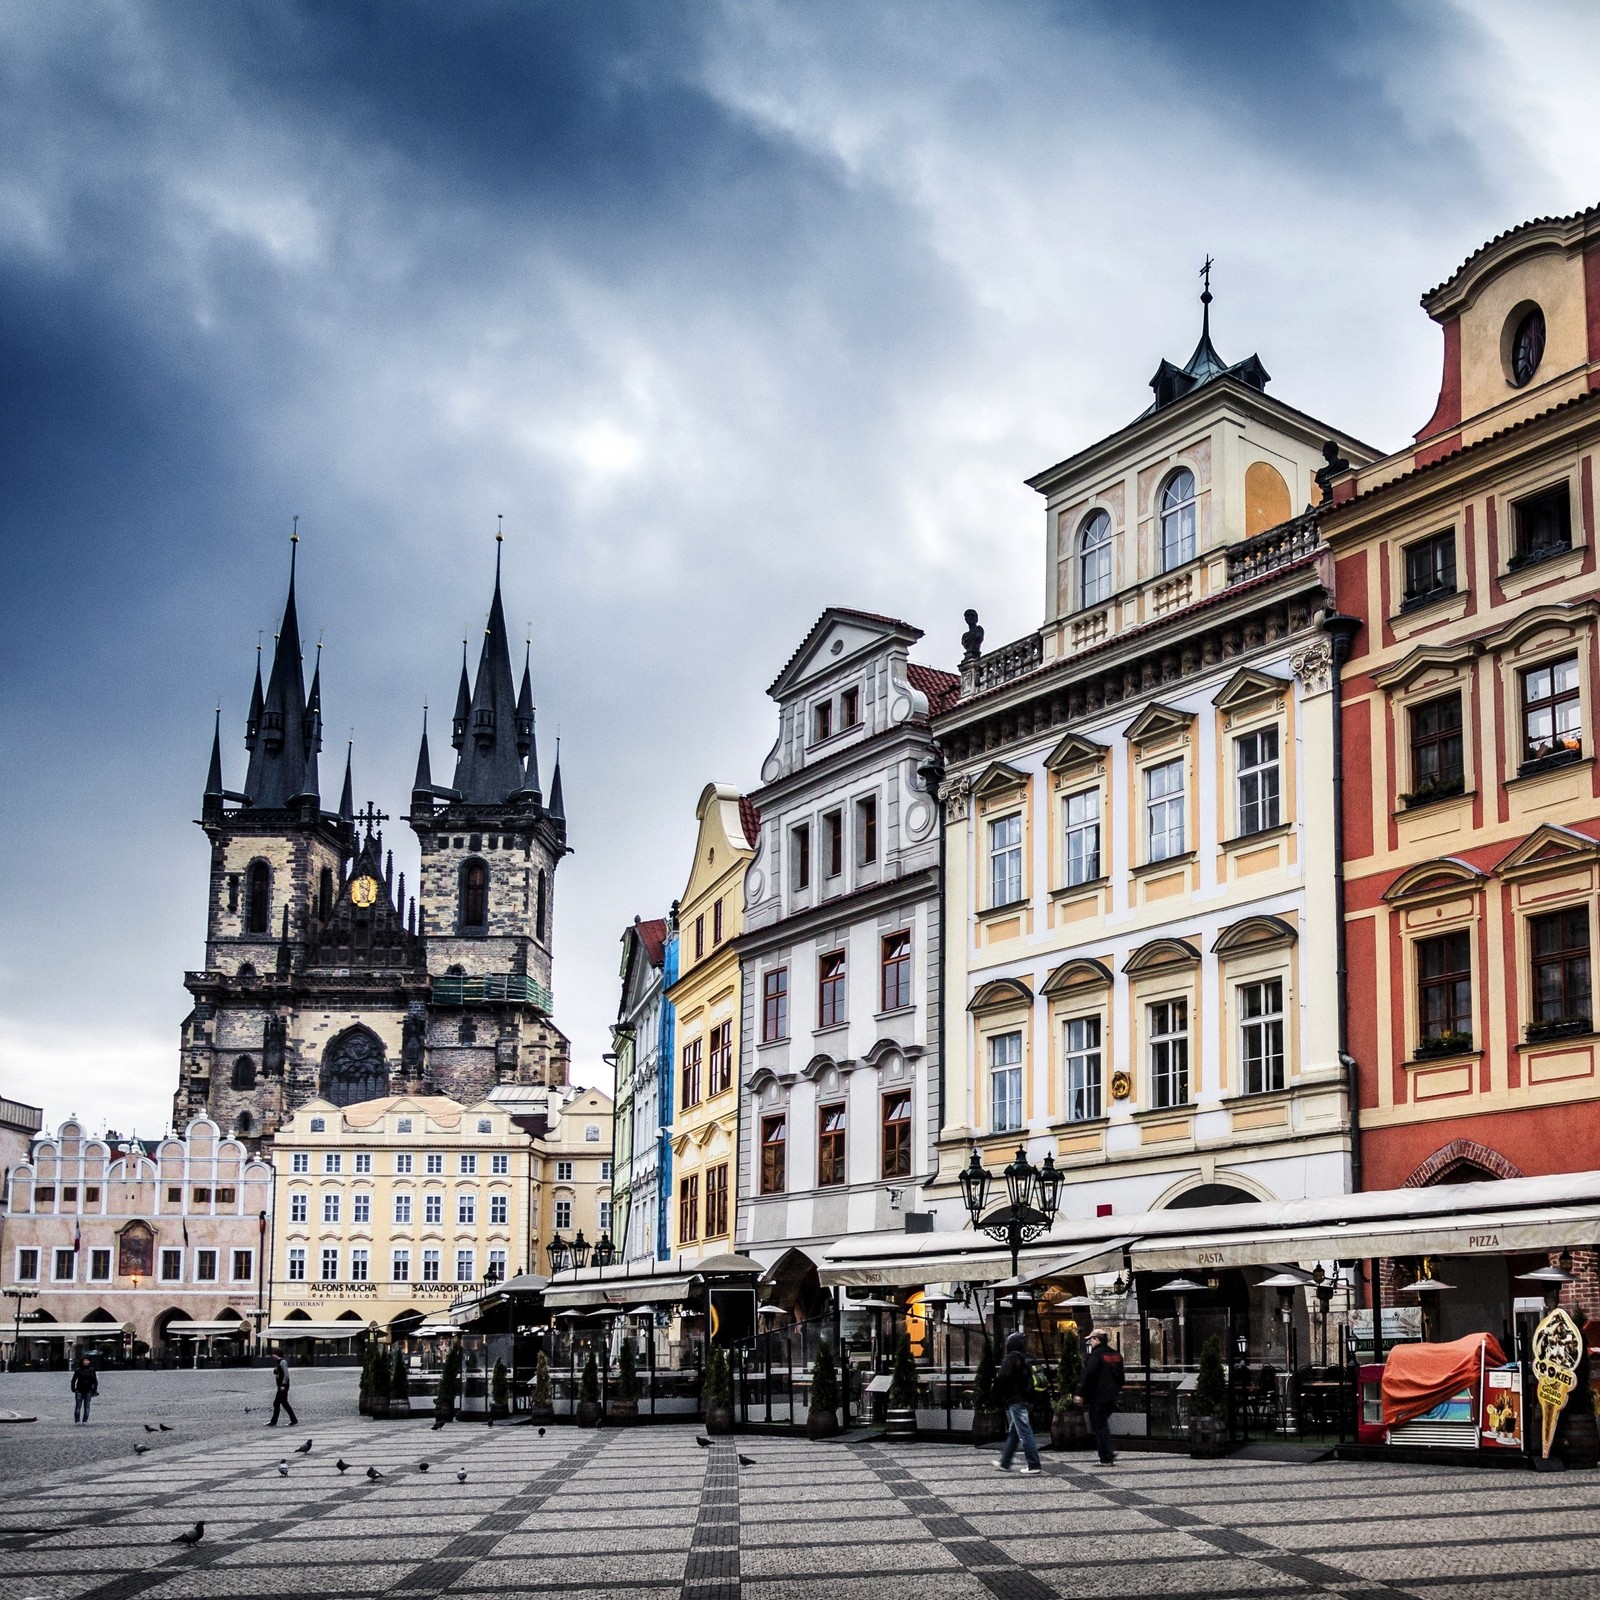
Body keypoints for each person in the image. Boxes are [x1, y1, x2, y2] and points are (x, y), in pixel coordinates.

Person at [993, 1330, 1041, 1473]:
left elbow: (1003, 1378)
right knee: (1015, 1431)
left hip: (1016, 1400)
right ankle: (1005, 1462)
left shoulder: (1011, 1358)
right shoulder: (1030, 1357)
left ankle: (1034, 1464)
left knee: (1024, 1432)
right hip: (1030, 1399)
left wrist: (996, 1396)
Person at [1080, 1330, 1125, 1465]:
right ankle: (1108, 1452)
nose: (1090, 1342)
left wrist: (1080, 1393)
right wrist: (1116, 1389)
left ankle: (1106, 1456)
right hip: (1111, 1396)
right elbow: (1121, 1377)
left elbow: (1087, 1376)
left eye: (1091, 1340)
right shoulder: (1116, 1355)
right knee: (1101, 1424)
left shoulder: (1095, 1355)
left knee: (1099, 1425)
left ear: (1097, 1340)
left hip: (1098, 1396)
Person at [267, 1355, 298, 1426]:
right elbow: (278, 1372)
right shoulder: (279, 1362)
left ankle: (273, 1422)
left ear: (278, 1354)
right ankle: (293, 1420)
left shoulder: (282, 1362)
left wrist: (283, 1384)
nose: (273, 1357)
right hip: (281, 1386)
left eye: (274, 1355)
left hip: (282, 1386)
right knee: (284, 1403)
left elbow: (286, 1374)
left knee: (277, 1403)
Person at [70, 1355, 98, 1424]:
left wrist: (94, 1389)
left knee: (87, 1406)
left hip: (88, 1390)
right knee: (78, 1406)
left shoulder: (91, 1370)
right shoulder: (78, 1370)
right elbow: (73, 1380)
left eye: (88, 1361)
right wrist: (73, 1389)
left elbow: (95, 1381)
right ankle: (77, 1420)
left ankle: (85, 1420)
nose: (87, 1362)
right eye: (85, 1361)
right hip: (79, 1390)